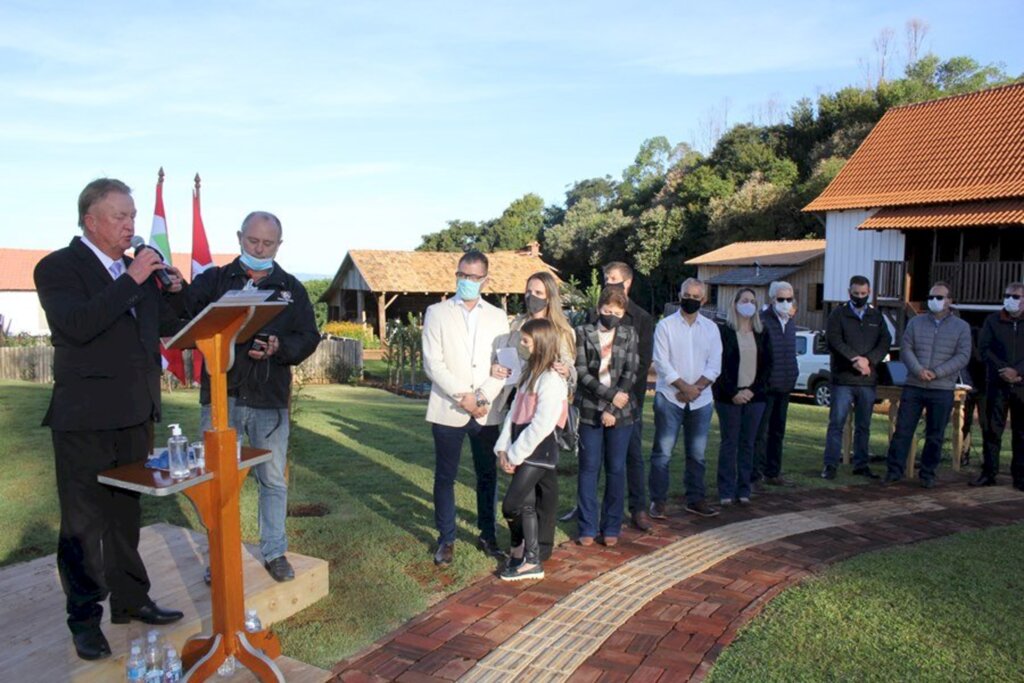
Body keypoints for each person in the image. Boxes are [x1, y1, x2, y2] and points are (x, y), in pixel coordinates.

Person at [34, 178, 186, 660]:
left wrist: (176, 292)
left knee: (125, 516)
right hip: (84, 419)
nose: (130, 225)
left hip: (134, 414)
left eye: (133, 216)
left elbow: (166, 327)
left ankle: (131, 600)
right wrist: (132, 280)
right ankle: (84, 618)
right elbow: (76, 326)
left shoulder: (136, 273)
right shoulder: (58, 268)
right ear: (90, 220)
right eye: (120, 216)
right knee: (83, 523)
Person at [186, 211, 320, 582]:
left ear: (279, 244)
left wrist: (279, 346)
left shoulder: (291, 287)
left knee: (273, 480)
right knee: (217, 481)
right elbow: (183, 317)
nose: (259, 249)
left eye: (268, 243)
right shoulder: (213, 281)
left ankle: (275, 552)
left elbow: (309, 337)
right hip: (220, 398)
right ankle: (221, 557)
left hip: (268, 400)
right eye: (252, 241)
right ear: (239, 237)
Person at [422, 251, 510, 566]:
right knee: (445, 475)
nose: (468, 282)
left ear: (485, 279)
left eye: (474, 277)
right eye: (463, 275)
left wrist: (483, 397)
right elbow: (433, 363)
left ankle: (487, 534)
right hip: (449, 406)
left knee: (487, 474)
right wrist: (464, 396)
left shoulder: (498, 316)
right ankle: (446, 539)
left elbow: (503, 365)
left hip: (487, 410)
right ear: (456, 274)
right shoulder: (436, 312)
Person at [491, 271, 575, 562]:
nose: (532, 296)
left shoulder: (562, 331)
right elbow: (507, 357)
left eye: (539, 292)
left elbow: (569, 372)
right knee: (529, 489)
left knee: (544, 487)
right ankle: (529, 547)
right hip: (519, 396)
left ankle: (540, 547)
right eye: (528, 290)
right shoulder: (516, 325)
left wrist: (567, 373)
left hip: (545, 406)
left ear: (550, 295)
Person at [495, 319, 569, 580]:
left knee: (511, 504)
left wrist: (515, 454)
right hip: (522, 449)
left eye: (526, 341)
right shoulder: (528, 374)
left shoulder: (550, 379)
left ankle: (525, 553)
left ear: (540, 343)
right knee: (525, 505)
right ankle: (528, 558)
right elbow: (513, 414)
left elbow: (542, 424)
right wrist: (503, 448)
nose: (522, 345)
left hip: (538, 453)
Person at [883, 282, 971, 487]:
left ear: (949, 301)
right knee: (903, 430)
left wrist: (937, 372)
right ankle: (894, 470)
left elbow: (963, 355)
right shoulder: (916, 322)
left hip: (942, 388)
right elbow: (906, 348)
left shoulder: (961, 327)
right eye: (931, 297)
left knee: (935, 434)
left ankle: (927, 474)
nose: (934, 301)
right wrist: (918, 370)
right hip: (914, 385)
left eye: (939, 298)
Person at [649, 278, 723, 518]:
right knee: (663, 452)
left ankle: (695, 498)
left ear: (703, 299)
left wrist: (695, 390)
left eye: (695, 296)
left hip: (701, 400)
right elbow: (661, 362)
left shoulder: (711, 328)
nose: (690, 300)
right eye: (686, 295)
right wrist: (682, 386)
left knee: (697, 454)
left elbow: (715, 365)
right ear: (679, 295)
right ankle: (658, 501)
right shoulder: (665, 326)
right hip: (670, 397)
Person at [574, 286, 639, 546]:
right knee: (589, 469)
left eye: (617, 311)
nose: (611, 315)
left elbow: (632, 370)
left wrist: (613, 407)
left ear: (623, 312)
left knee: (616, 468)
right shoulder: (582, 332)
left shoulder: (629, 333)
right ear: (599, 308)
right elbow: (581, 371)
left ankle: (611, 526)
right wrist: (606, 400)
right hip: (590, 408)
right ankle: (587, 526)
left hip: (621, 412)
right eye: (606, 310)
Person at [596, 263, 655, 530]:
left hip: (629, 399)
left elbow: (641, 364)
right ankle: (591, 508)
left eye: (613, 278)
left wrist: (619, 396)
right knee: (594, 458)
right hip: (597, 398)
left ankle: (638, 508)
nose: (608, 282)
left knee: (631, 456)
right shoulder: (595, 314)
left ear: (627, 283)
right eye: (606, 278)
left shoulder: (641, 318)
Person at [821, 275, 892, 480]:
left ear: (869, 292)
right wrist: (854, 359)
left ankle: (861, 464)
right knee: (837, 423)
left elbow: (885, 341)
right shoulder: (838, 314)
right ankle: (830, 464)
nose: (859, 297)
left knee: (864, 426)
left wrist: (869, 361)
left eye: (863, 293)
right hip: (843, 379)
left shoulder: (876, 316)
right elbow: (834, 339)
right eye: (856, 293)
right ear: (849, 292)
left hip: (867, 380)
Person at [714, 289, 769, 505]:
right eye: (745, 301)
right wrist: (733, 393)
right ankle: (726, 490)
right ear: (735, 303)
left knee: (748, 443)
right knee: (730, 442)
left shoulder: (761, 332)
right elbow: (719, 367)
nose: (749, 304)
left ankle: (744, 489)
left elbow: (767, 367)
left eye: (753, 301)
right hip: (729, 398)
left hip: (755, 397)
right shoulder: (724, 332)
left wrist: (751, 390)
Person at [973, 282, 1024, 489]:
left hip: (1021, 385)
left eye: (1017, 296)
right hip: (996, 384)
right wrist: (1003, 370)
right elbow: (984, 349)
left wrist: (1018, 372)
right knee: (992, 430)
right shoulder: (993, 320)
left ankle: (1020, 477)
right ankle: (989, 473)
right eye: (1008, 295)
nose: (1012, 299)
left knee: (1021, 433)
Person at [752, 281, 799, 487]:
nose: (786, 303)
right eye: (781, 299)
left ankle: (773, 471)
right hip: (767, 386)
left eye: (789, 299)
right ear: (772, 299)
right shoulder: (762, 321)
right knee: (760, 432)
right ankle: (757, 472)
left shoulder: (790, 323)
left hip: (785, 385)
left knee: (778, 431)